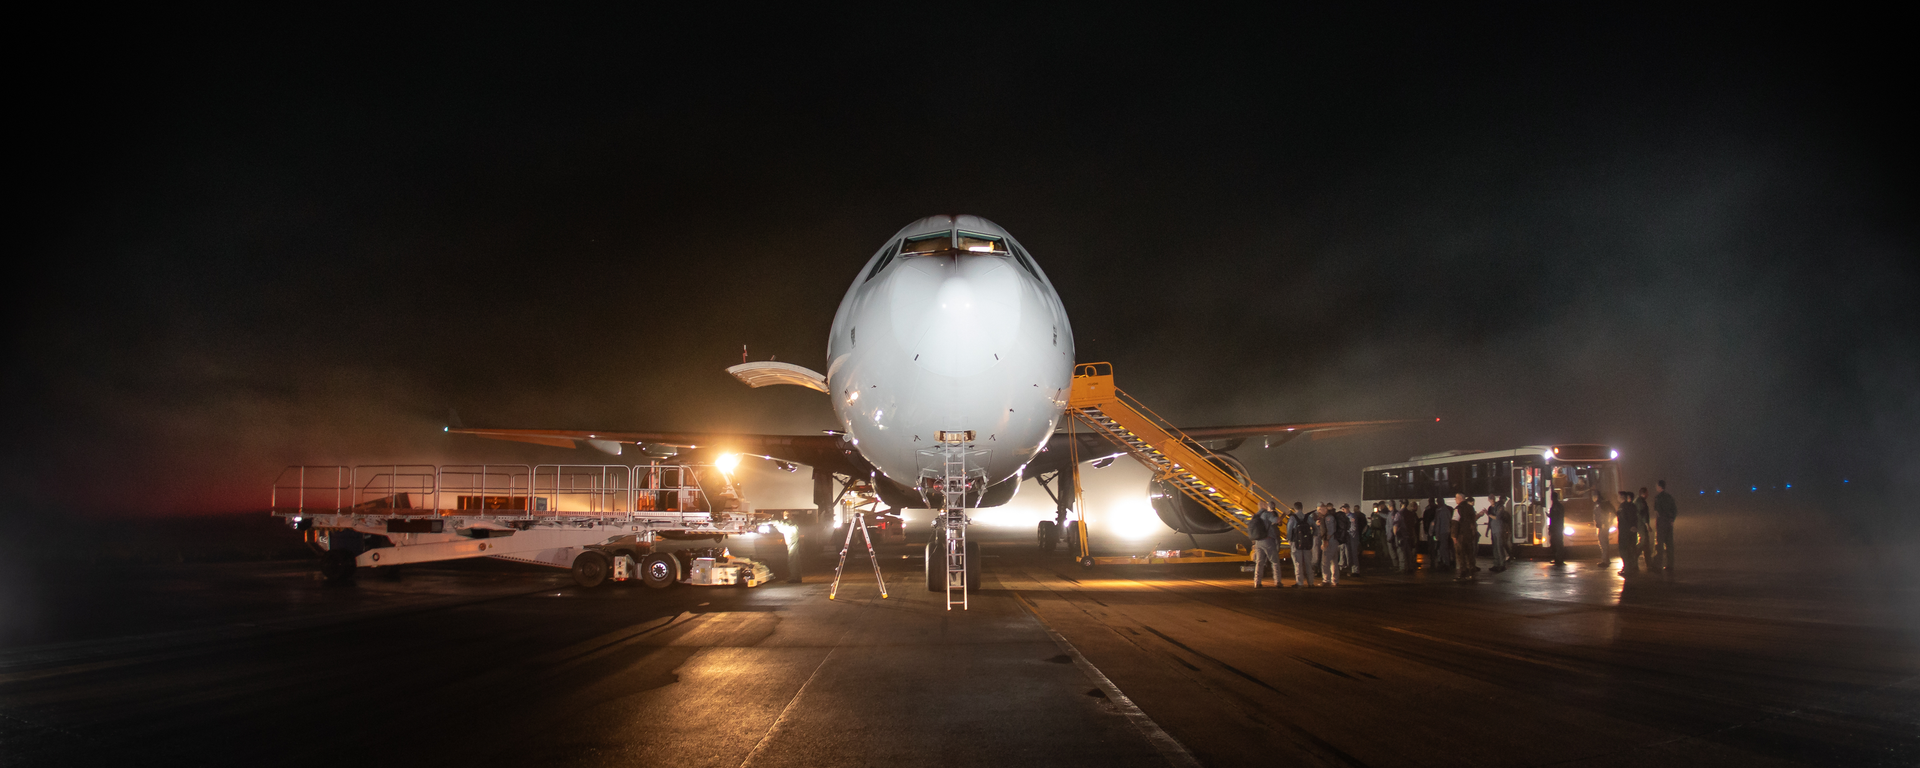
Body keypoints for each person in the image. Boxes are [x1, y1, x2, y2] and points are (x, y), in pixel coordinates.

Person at [1250, 502, 1283, 588]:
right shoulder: (1267, 514)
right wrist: (1283, 515)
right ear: (1264, 506)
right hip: (1268, 541)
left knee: (1259, 562)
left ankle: (1257, 582)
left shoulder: (1255, 516)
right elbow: (1277, 521)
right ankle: (1277, 581)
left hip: (1258, 542)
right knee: (1275, 561)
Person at [1287, 501, 1316, 587]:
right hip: (1307, 544)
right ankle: (1311, 582)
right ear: (1302, 508)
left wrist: (1289, 539)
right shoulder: (1308, 517)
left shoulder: (1292, 518)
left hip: (1296, 543)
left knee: (1298, 563)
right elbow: (1315, 528)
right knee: (1308, 562)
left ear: (1294, 508)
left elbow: (1289, 530)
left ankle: (1300, 582)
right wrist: (1312, 536)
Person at [1653, 480, 1677, 578]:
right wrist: (1672, 519)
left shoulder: (1658, 498)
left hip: (1662, 523)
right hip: (1669, 523)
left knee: (1660, 544)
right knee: (1669, 544)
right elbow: (1675, 510)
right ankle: (1670, 564)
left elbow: (1657, 511)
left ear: (1659, 487)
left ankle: (1658, 565)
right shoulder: (1670, 497)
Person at [1314, 504, 1343, 587]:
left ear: (1325, 509)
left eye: (1320, 509)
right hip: (1334, 541)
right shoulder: (1327, 517)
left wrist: (1325, 541)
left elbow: (1330, 530)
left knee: (1325, 562)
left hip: (1330, 542)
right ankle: (1335, 580)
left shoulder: (1328, 518)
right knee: (1334, 562)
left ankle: (1326, 580)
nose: (1318, 511)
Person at [1452, 494, 1478, 581]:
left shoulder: (1458, 509)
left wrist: (1454, 536)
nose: (1455, 499)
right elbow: (1473, 521)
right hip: (1469, 534)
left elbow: (1455, 523)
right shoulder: (1470, 508)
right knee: (1470, 554)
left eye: (1456, 498)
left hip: (1461, 535)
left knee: (1460, 554)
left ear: (1460, 499)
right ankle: (1472, 572)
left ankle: (1463, 572)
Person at [1426, 497, 1454, 572]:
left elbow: (1440, 524)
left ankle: (1446, 564)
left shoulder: (1441, 511)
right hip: (1445, 532)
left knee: (1443, 548)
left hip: (1442, 532)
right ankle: (1444, 563)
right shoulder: (1446, 510)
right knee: (1442, 548)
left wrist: (1437, 533)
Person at [1616, 490, 1640, 576]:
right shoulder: (1632, 506)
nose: (1617, 498)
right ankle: (1633, 566)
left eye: (1618, 496)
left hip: (1624, 532)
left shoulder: (1622, 506)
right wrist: (1634, 527)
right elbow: (1636, 517)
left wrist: (1629, 527)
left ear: (1622, 497)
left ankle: (1627, 568)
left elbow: (1624, 519)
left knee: (1623, 550)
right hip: (1632, 531)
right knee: (1632, 549)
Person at [1635, 488, 1656, 573]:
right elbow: (1643, 514)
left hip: (1640, 525)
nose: (1648, 495)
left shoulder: (1638, 501)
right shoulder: (1641, 502)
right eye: (1647, 493)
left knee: (1646, 545)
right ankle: (1633, 557)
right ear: (1643, 493)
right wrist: (1647, 525)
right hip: (1641, 525)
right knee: (1643, 542)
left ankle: (1649, 564)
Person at [1592, 489, 1614, 567]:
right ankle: (1606, 559)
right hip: (1602, 526)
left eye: (1593, 496)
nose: (1593, 498)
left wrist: (1604, 524)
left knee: (1603, 543)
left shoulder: (1600, 504)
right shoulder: (1601, 503)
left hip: (1603, 526)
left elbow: (1602, 515)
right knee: (1604, 543)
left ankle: (1605, 561)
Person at [1487, 496, 1509, 573]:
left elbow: (1497, 517)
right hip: (1493, 530)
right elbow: (1489, 521)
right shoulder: (1490, 508)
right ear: (1489, 500)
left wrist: (1488, 514)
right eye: (1491, 499)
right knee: (1495, 548)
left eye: (1493, 499)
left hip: (1499, 529)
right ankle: (1496, 564)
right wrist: (1487, 530)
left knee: (1499, 547)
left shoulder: (1500, 507)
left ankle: (1502, 565)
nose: (1492, 500)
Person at [1397, 501, 1418, 573]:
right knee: (1409, 552)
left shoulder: (1399, 513)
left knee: (1402, 552)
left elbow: (1396, 526)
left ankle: (1403, 568)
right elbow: (1413, 525)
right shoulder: (1411, 514)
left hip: (1402, 536)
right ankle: (1410, 567)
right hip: (1409, 535)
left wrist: (1395, 534)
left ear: (1401, 504)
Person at [1345, 504, 1365, 576]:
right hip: (1349, 538)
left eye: (1344, 509)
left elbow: (1353, 528)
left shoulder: (1352, 516)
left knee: (1354, 554)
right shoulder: (1347, 516)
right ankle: (1352, 570)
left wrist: (1346, 531)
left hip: (1353, 538)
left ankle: (1356, 571)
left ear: (1348, 508)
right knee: (1350, 554)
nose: (1343, 510)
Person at [1547, 490, 1566, 565]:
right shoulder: (1559, 506)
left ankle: (1558, 559)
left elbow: (1554, 519)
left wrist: (1550, 528)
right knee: (1558, 544)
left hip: (1556, 528)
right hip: (1558, 528)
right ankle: (1558, 558)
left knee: (1556, 544)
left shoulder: (1555, 507)